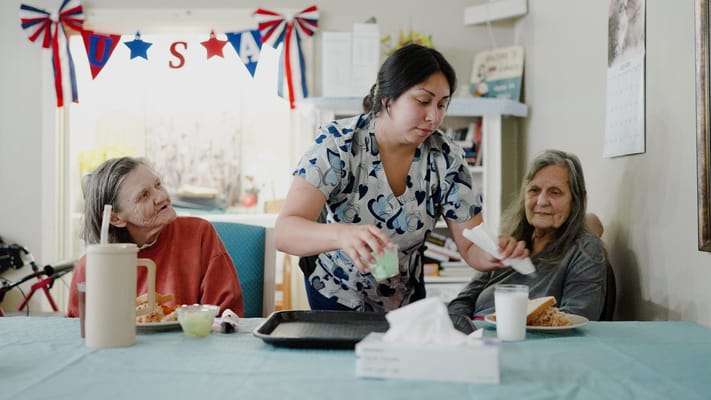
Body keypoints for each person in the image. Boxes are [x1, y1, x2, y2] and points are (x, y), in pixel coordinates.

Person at [274, 44, 528, 312]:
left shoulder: (446, 157)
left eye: (442, 105)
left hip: (405, 296)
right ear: (388, 99)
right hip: (336, 293)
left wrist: (491, 253)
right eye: (423, 101)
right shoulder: (338, 143)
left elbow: (469, 244)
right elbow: (285, 232)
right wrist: (342, 235)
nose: (434, 117)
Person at [66, 157, 244, 317]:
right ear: (115, 218)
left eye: (158, 185)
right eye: (144, 195)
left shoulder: (199, 235)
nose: (162, 196)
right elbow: (79, 332)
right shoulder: (91, 267)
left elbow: (226, 316)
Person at [448, 149, 608, 321]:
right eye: (534, 190)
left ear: (577, 199)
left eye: (555, 192)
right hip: (474, 336)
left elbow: (576, 319)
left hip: (523, 342)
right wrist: (463, 329)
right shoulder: (511, 243)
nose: (541, 201)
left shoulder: (585, 250)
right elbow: (463, 300)